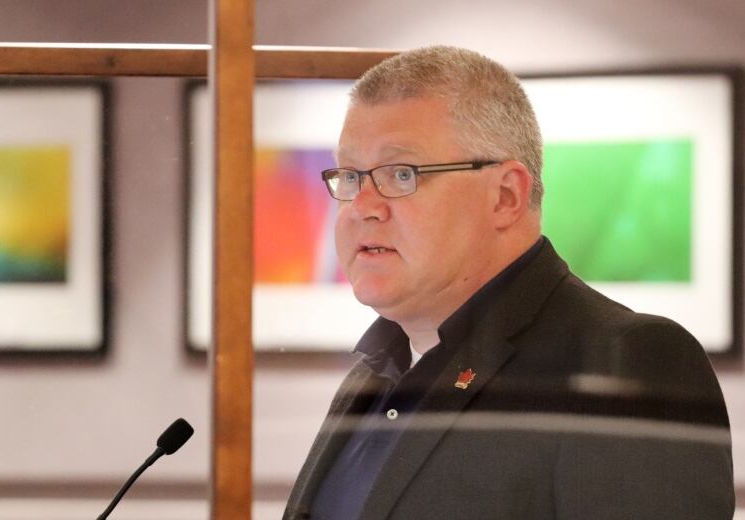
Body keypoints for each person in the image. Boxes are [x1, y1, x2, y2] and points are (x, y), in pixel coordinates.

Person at [283, 46, 733, 520]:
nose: (364, 205)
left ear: (505, 196)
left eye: (402, 173)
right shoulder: (374, 371)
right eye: (351, 176)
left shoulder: (625, 360)